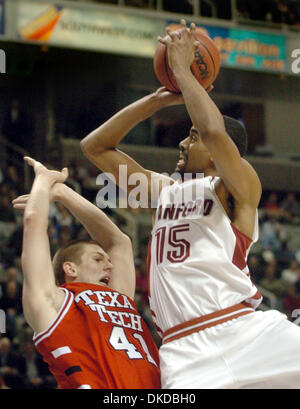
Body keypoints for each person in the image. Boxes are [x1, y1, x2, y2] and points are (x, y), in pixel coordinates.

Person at [80, 20, 300, 388]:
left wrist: (185, 74)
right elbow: (95, 147)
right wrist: (155, 101)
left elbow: (214, 131)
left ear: (219, 152)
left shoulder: (239, 187)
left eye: (192, 136)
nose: (183, 144)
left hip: (246, 332)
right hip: (183, 353)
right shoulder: (165, 190)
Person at [12, 157, 160, 389]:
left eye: (108, 261)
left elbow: (120, 242)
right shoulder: (54, 303)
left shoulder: (119, 297)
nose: (109, 265)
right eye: (98, 259)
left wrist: (62, 192)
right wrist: (44, 179)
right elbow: (33, 222)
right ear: (70, 268)